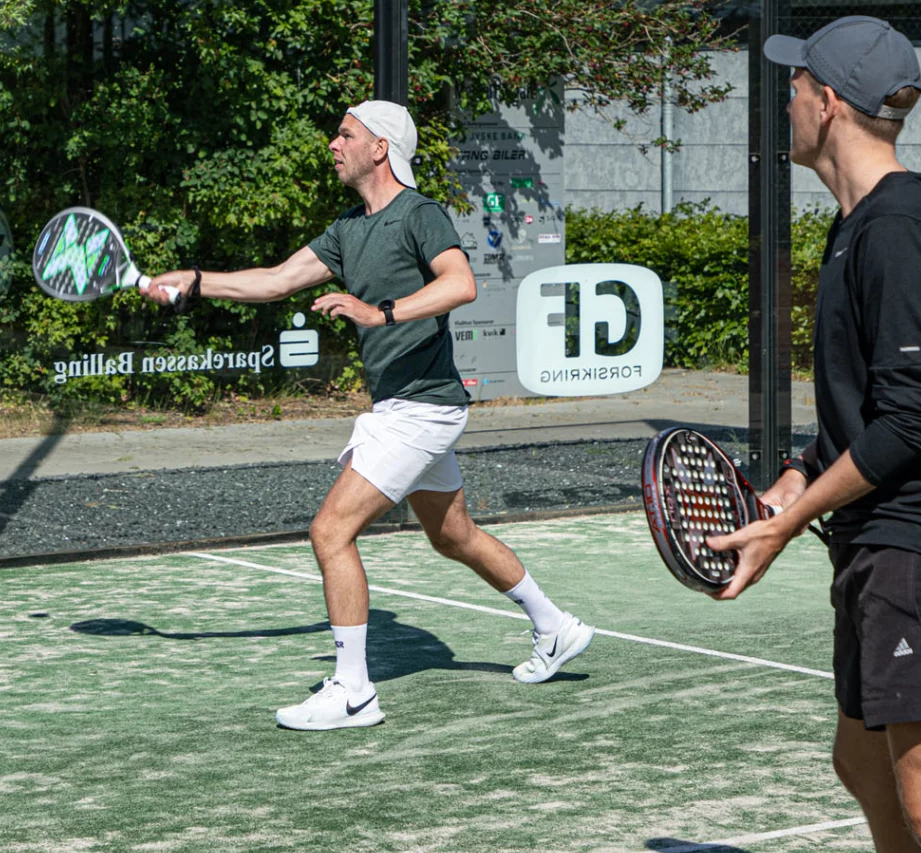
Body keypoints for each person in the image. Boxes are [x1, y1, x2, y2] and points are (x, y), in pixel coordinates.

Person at [708, 17, 921, 853]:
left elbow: (913, 425)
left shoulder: (897, 229)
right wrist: (798, 472)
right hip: (886, 545)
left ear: (827, 102)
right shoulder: (860, 226)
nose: (785, 99)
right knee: (864, 766)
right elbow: (872, 410)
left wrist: (796, 516)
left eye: (796, 84)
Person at [141, 99, 594, 730]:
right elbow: (273, 280)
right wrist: (193, 279)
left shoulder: (419, 214)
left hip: (420, 409)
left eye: (345, 134)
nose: (333, 143)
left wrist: (378, 311)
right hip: (408, 407)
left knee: (330, 531)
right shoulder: (348, 228)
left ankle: (353, 692)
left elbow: (460, 285)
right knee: (452, 535)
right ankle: (556, 626)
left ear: (379, 147)